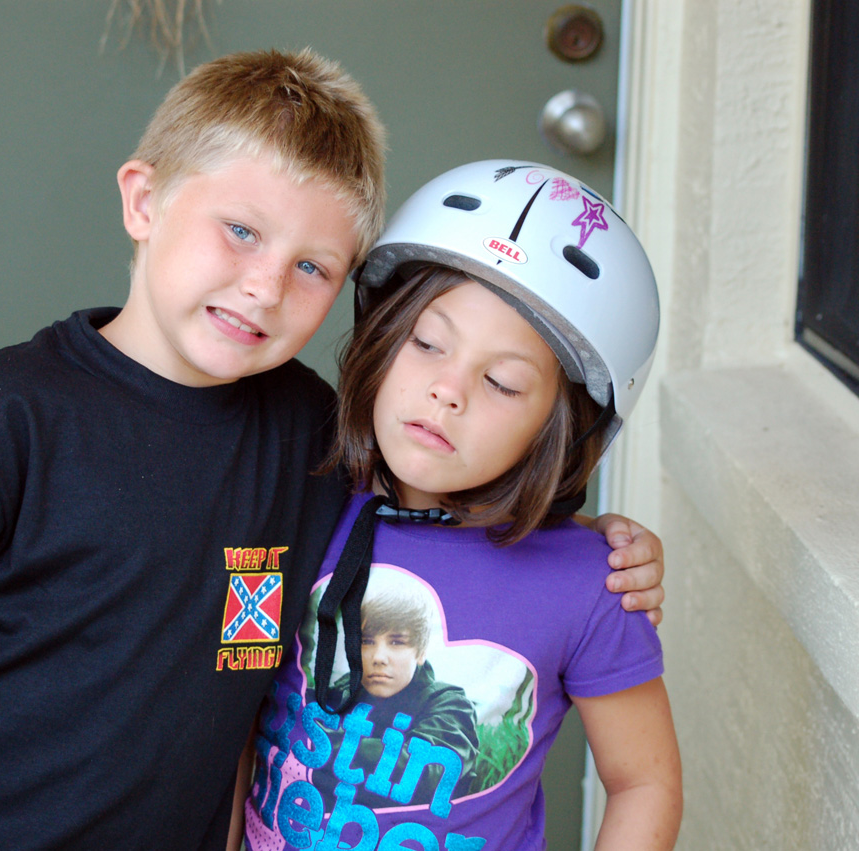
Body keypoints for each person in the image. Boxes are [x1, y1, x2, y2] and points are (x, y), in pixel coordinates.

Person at [0, 48, 666, 851]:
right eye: (241, 231)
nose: (265, 285)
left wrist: (603, 539)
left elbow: (449, 485)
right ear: (144, 199)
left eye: (314, 267)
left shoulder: (311, 437)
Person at [243, 161, 682, 851]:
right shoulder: (301, 497)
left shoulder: (591, 583)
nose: (448, 390)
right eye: (426, 343)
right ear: (383, 341)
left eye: (503, 382)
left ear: (561, 429)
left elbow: (643, 782)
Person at [306, 570, 479, 812]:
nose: (378, 657)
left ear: (420, 652)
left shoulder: (451, 704)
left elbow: (424, 774)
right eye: (366, 641)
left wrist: (321, 740)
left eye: (397, 642)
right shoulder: (347, 688)